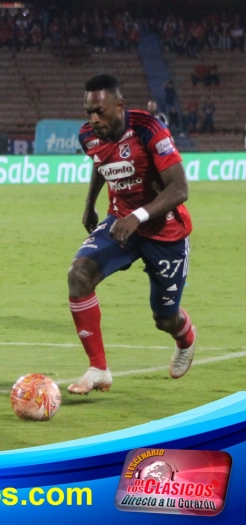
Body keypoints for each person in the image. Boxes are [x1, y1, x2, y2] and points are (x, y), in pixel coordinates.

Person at [67, 74, 196, 395]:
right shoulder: (88, 136)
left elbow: (180, 188)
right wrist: (90, 204)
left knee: (164, 319)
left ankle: (185, 337)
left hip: (165, 231)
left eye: (100, 111)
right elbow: (101, 162)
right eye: (89, 112)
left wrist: (138, 216)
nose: (94, 119)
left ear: (119, 106)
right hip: (121, 222)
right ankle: (98, 369)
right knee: (79, 275)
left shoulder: (148, 129)